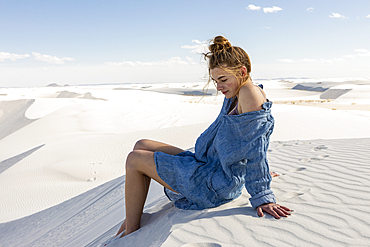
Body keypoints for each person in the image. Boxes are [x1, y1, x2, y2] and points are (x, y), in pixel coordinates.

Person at [116, 36, 292, 238]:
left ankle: (131, 230)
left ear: (242, 71)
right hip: (206, 165)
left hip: (213, 185)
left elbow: (256, 147)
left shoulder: (249, 93)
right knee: (142, 144)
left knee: (134, 159)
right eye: (216, 80)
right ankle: (134, 212)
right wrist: (256, 172)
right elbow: (249, 140)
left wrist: (263, 195)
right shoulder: (236, 94)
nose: (218, 86)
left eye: (223, 80)